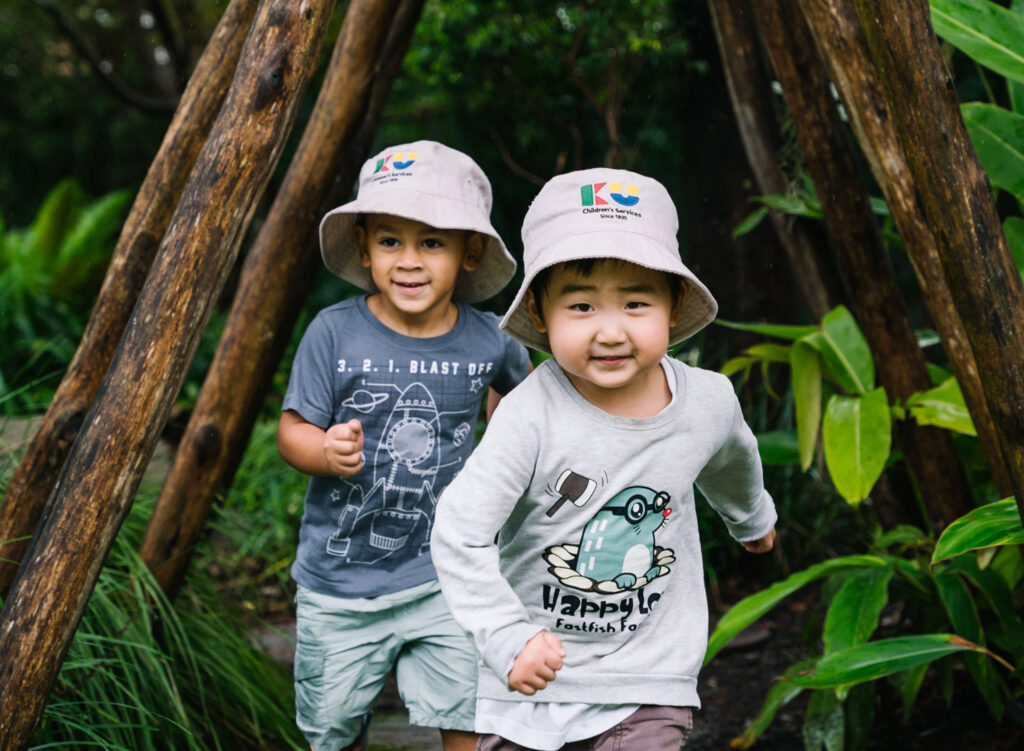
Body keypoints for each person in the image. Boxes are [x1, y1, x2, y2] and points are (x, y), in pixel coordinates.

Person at [430, 168, 778, 750]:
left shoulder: (708, 403)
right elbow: (459, 533)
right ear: (540, 313)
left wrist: (752, 519)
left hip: (649, 674)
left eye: (636, 303)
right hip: (530, 680)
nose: (611, 331)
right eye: (582, 306)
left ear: (674, 304)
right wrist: (506, 637)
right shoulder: (529, 414)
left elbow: (733, 460)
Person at [278, 140, 531, 751]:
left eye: (432, 242)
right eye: (391, 240)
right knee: (332, 725)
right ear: (364, 246)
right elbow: (292, 430)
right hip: (340, 586)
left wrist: (504, 433)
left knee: (468, 712)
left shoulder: (489, 340)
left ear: (470, 252)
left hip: (447, 573)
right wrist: (324, 451)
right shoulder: (333, 332)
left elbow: (528, 406)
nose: (409, 261)